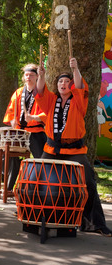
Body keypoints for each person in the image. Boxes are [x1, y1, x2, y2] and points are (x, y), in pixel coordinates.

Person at [35, 57, 112, 237]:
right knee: (38, 179)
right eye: (60, 81)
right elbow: (39, 91)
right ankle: (36, 215)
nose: (63, 84)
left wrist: (75, 69)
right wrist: (42, 75)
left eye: (67, 81)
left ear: (71, 86)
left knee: (88, 183)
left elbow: (80, 86)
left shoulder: (79, 101)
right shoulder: (51, 100)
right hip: (52, 149)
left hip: (75, 151)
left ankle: (95, 224)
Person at [3, 64, 47, 191]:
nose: (29, 77)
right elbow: (10, 110)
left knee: (41, 159)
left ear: (37, 76)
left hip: (36, 131)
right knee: (12, 157)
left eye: (32, 75)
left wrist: (34, 117)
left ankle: (40, 187)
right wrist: (12, 120)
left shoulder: (42, 92)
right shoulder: (18, 92)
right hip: (19, 132)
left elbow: (47, 112)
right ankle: (9, 187)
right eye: (27, 75)